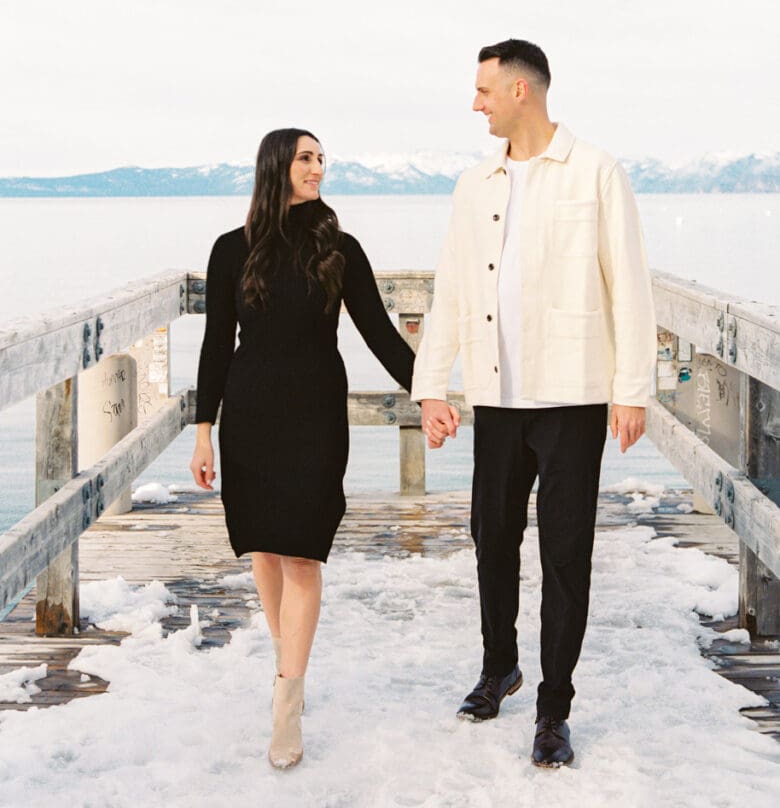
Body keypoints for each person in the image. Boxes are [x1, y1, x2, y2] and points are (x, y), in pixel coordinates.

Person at [411, 39, 656, 768]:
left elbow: (630, 286)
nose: (475, 103)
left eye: (484, 90)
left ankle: (554, 709)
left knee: (566, 554)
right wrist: (432, 386)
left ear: (522, 90)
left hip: (575, 394)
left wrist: (632, 390)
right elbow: (451, 290)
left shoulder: (595, 173)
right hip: (498, 397)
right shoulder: (474, 184)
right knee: (492, 539)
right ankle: (499, 667)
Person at [190, 128, 415, 770]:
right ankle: (292, 670)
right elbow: (213, 345)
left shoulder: (338, 247)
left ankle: (285, 710)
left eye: (322, 159)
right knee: (263, 544)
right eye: (307, 158)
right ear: (276, 168)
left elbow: (377, 331)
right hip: (252, 412)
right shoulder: (232, 249)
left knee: (302, 556)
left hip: (315, 413)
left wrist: (427, 392)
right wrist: (204, 429)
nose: (319, 168)